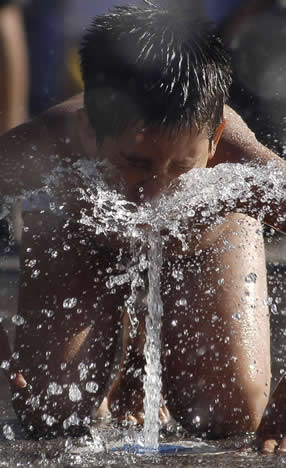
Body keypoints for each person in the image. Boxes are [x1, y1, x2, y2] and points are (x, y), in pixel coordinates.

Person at [0, 4, 285, 454]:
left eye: (182, 168)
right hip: (83, 238)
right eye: (136, 164)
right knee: (50, 411)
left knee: (230, 416)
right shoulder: (51, 144)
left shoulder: (241, 160)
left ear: (214, 140)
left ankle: (142, 347)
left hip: (201, 247)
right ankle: (121, 345)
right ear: (93, 130)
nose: (156, 190)